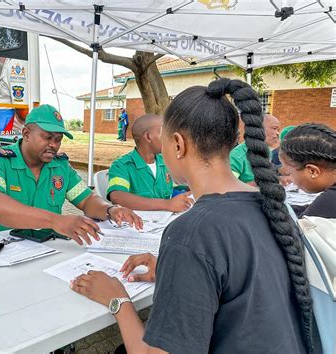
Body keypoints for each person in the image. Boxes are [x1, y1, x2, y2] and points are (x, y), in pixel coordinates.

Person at [70, 79, 317, 354]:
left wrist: (117, 299)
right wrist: (175, 269)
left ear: (177, 144)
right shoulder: (275, 208)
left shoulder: (192, 233)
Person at [0, 104, 142, 244]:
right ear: (26, 134)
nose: (54, 144)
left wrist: (110, 210)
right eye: (47, 137)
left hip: (45, 248)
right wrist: (56, 221)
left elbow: (87, 200)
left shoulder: (60, 167)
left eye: (58, 139)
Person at [107, 114, 193, 212]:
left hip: (165, 221)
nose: (170, 138)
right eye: (164, 133)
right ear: (148, 137)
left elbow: (177, 186)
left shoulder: (165, 162)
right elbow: (117, 197)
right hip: (139, 224)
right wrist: (166, 204)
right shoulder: (121, 166)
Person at [280, 123, 336, 218]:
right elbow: (310, 208)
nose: (290, 180)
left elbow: (298, 227)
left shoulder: (331, 199)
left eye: (290, 173)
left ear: (312, 171)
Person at [229, 114, 280, 185]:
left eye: (278, 130)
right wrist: (261, 183)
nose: (278, 133)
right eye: (274, 128)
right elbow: (229, 187)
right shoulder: (237, 157)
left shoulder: (267, 151)